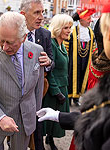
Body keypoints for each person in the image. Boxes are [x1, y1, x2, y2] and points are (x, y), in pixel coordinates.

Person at [37, 4, 110, 150]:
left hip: (64, 85)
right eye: (66, 28)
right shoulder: (55, 43)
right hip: (56, 88)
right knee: (46, 125)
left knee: (53, 127)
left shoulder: (65, 43)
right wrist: (58, 111)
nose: (69, 30)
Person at [0, 12, 44, 150]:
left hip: (25, 119)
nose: (4, 47)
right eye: (1, 41)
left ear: (24, 37)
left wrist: (35, 113)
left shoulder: (37, 51)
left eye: (10, 43)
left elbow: (39, 86)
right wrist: (0, 117)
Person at [20, 1, 54, 149]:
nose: (41, 17)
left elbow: (53, 63)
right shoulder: (13, 31)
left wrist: (48, 63)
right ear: (23, 14)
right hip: (18, 94)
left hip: (38, 93)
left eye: (42, 12)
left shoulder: (45, 34)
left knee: (37, 131)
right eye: (36, 13)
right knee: (17, 133)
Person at [40, 14, 73, 150]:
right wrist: (56, 91)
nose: (69, 30)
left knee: (56, 119)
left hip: (62, 87)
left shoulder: (62, 45)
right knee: (46, 120)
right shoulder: (52, 43)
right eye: (66, 27)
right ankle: (40, 142)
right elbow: (49, 72)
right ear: (58, 28)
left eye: (70, 27)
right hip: (53, 90)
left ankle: (50, 138)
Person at [64, 8, 96, 106]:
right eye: (88, 18)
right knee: (71, 79)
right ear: (81, 19)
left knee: (82, 78)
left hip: (85, 60)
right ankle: (68, 99)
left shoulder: (90, 32)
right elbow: (66, 47)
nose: (90, 20)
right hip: (73, 61)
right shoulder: (72, 31)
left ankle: (76, 99)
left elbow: (93, 47)